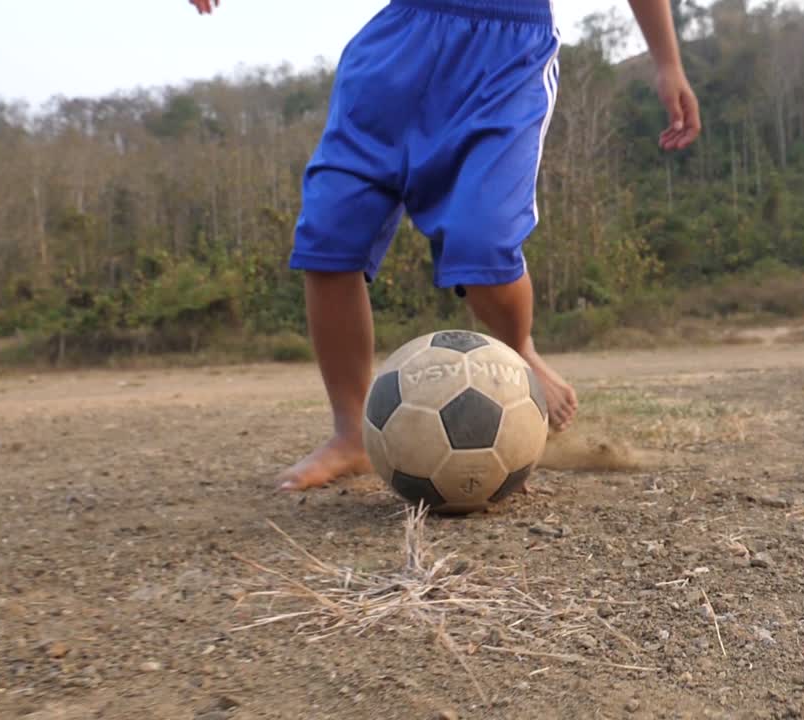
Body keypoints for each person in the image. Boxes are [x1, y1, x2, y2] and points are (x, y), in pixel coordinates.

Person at [188, 0, 701, 491]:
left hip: (505, 57)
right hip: (397, 50)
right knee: (329, 237)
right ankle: (351, 436)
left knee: (484, 249)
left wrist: (667, 63)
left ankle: (519, 349)